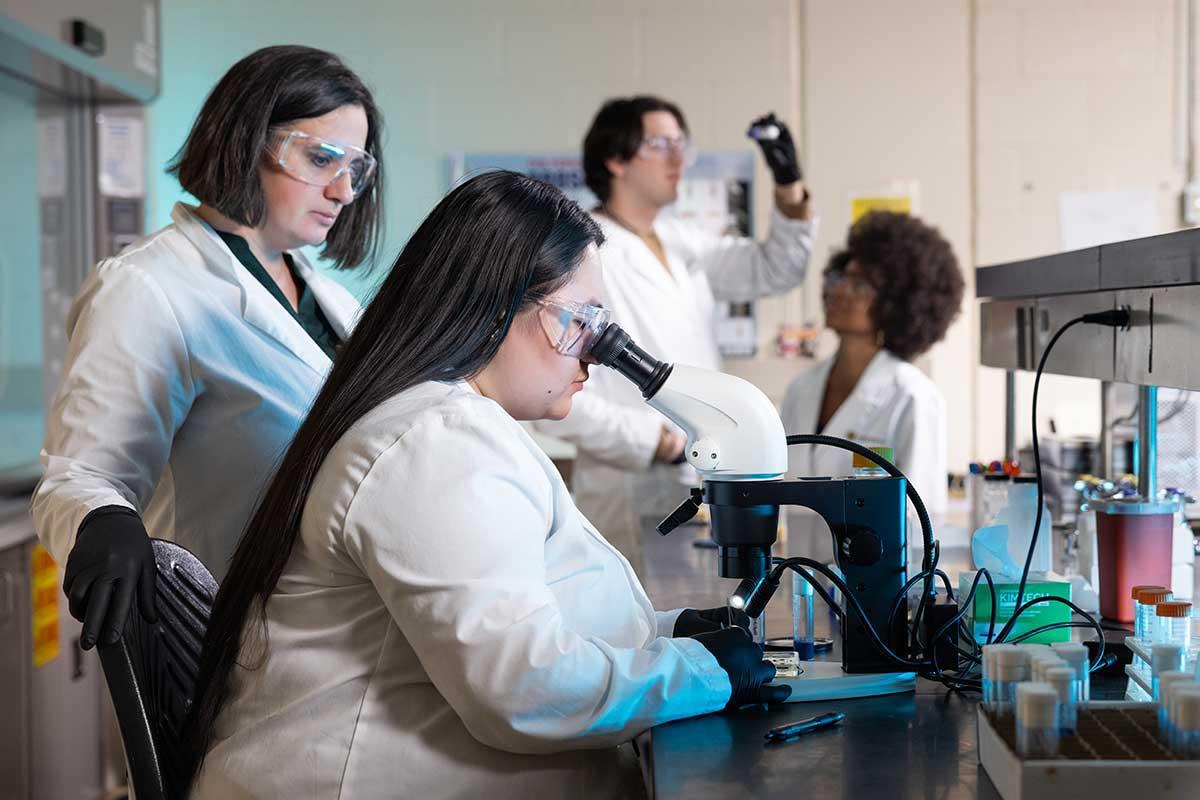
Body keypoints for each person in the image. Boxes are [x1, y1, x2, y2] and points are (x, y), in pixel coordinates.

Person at [186, 171, 788, 799]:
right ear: (493, 305)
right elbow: (526, 688)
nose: (592, 355)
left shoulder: (451, 424)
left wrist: (670, 632)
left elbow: (529, 622)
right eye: (578, 321)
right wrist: (706, 671)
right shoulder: (435, 445)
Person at [29, 45, 385, 649]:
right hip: (224, 633)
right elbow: (82, 475)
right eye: (322, 159)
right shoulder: (146, 285)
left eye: (356, 169)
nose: (344, 191)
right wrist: (103, 520)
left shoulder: (330, 299)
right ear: (249, 144)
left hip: (329, 628)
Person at [535, 96, 816, 577]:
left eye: (681, 144)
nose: (677, 158)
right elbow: (550, 389)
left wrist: (789, 186)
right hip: (628, 482)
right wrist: (655, 440)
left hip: (699, 472)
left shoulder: (681, 240)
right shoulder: (583, 250)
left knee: (695, 607)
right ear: (616, 158)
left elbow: (776, 270)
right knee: (632, 617)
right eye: (660, 143)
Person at [780, 211, 963, 562]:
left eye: (862, 285)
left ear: (898, 304)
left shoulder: (913, 398)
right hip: (802, 581)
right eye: (841, 277)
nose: (840, 291)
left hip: (879, 591)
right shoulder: (802, 390)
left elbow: (920, 523)